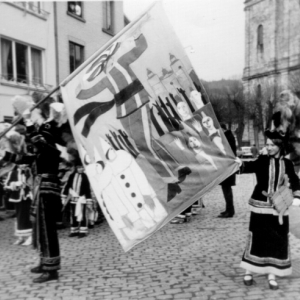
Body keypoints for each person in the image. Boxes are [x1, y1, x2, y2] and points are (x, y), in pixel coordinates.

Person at [237, 129, 300, 290]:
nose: (269, 147)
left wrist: (297, 195)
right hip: (260, 207)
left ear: (280, 146)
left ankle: (272, 275)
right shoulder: (262, 160)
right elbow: (247, 167)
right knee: (257, 239)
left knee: (277, 241)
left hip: (279, 209)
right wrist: (237, 163)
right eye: (267, 144)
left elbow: (295, 181)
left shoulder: (287, 164)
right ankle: (248, 272)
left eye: (272, 145)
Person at [61, 146, 92, 238]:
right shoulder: (72, 176)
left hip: (81, 199)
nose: (80, 169)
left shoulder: (85, 177)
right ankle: (74, 229)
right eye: (79, 167)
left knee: (82, 215)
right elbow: (67, 186)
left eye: (82, 167)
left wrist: (89, 199)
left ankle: (83, 230)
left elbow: (87, 189)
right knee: (73, 215)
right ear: (76, 167)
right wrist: (64, 195)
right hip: (73, 199)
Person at [218, 124, 237, 218]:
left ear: (223, 129)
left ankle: (230, 211)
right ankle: (228, 210)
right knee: (226, 190)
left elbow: (226, 151)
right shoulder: (228, 136)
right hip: (227, 167)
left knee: (227, 191)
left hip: (228, 167)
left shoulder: (227, 137)